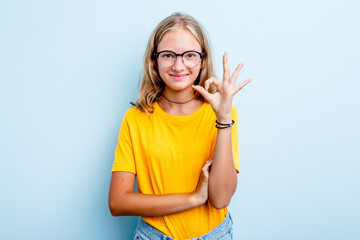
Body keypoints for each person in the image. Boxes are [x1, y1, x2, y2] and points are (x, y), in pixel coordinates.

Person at [108, 12, 251, 240]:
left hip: (215, 234)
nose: (178, 65)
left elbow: (221, 199)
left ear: (202, 60)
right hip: (154, 235)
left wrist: (223, 118)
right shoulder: (136, 118)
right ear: (154, 60)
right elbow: (117, 202)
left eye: (189, 55)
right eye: (168, 55)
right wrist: (193, 198)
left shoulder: (224, 114)